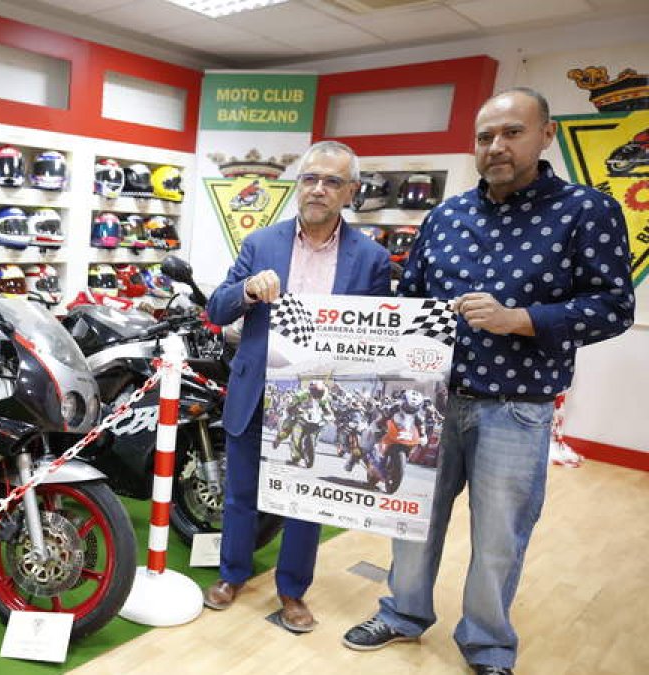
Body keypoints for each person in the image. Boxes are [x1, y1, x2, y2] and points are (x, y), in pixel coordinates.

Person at [342, 88, 635, 674]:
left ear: (545, 135)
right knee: (412, 517)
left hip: (515, 407)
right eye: (484, 137)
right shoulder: (447, 215)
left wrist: (521, 320)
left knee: (500, 538)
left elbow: (614, 306)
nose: (496, 147)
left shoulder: (586, 211)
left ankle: (487, 643)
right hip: (429, 402)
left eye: (511, 133)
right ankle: (403, 613)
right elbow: (412, 301)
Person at [205, 141, 391, 631]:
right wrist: (246, 291)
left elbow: (376, 336)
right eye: (310, 179)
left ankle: (292, 591)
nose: (318, 189)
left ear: (350, 192)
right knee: (241, 491)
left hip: (321, 397)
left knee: (308, 499)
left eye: (332, 181)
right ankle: (232, 575)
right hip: (257, 389)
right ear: (298, 186)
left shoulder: (371, 258)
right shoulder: (261, 243)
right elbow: (216, 309)